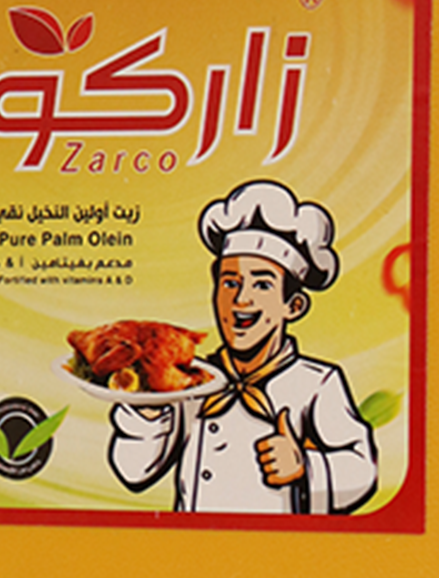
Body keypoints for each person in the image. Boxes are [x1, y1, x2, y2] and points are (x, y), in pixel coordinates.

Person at [108, 180, 377, 514]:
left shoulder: (316, 383)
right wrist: (147, 407)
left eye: (262, 284)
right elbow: (133, 470)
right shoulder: (191, 379)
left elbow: (362, 471)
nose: (241, 299)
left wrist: (304, 467)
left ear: (293, 306)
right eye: (230, 282)